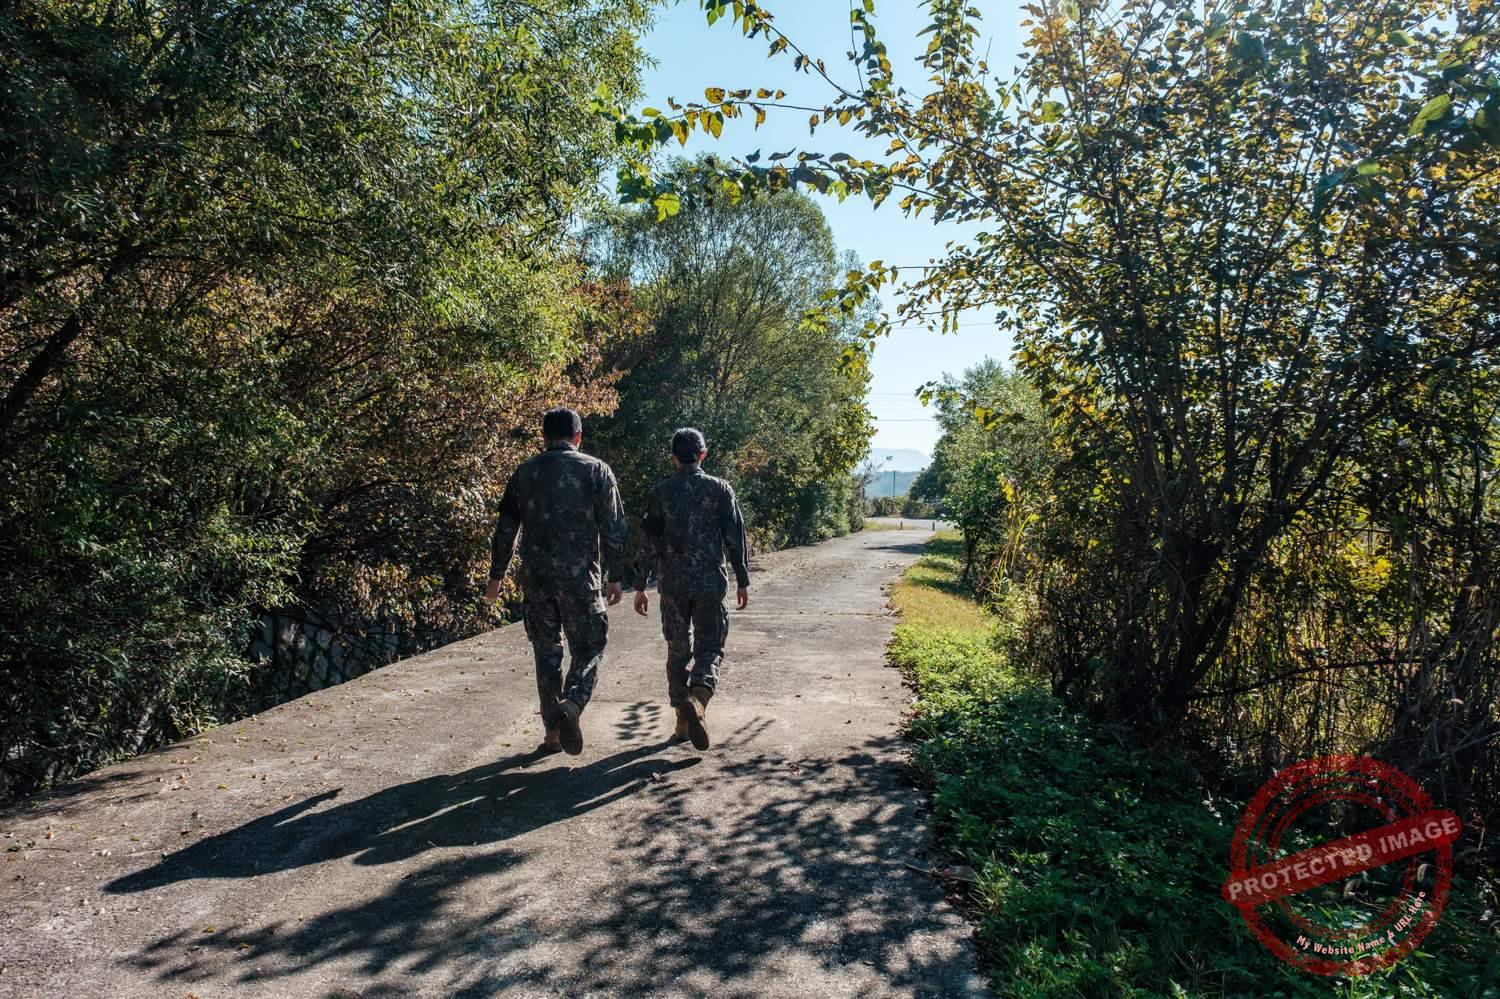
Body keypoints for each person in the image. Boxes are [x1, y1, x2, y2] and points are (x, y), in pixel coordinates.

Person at [484, 408, 627, 755]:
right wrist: (617, 576)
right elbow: (614, 528)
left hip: (537, 581)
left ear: (544, 436)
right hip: (581, 580)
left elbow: (506, 530)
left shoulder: (524, 473)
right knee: (590, 646)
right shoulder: (597, 471)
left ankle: (552, 734)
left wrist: (497, 576)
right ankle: (573, 703)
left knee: (546, 654)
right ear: (578, 437)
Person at [633, 427, 750, 750]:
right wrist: (743, 578)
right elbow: (734, 538)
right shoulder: (720, 490)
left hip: (672, 585)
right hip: (710, 582)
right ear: (703, 454)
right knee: (710, 647)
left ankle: (682, 721)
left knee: (677, 649)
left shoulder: (661, 492)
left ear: (673, 457)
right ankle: (698, 698)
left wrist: (641, 584)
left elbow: (649, 542)